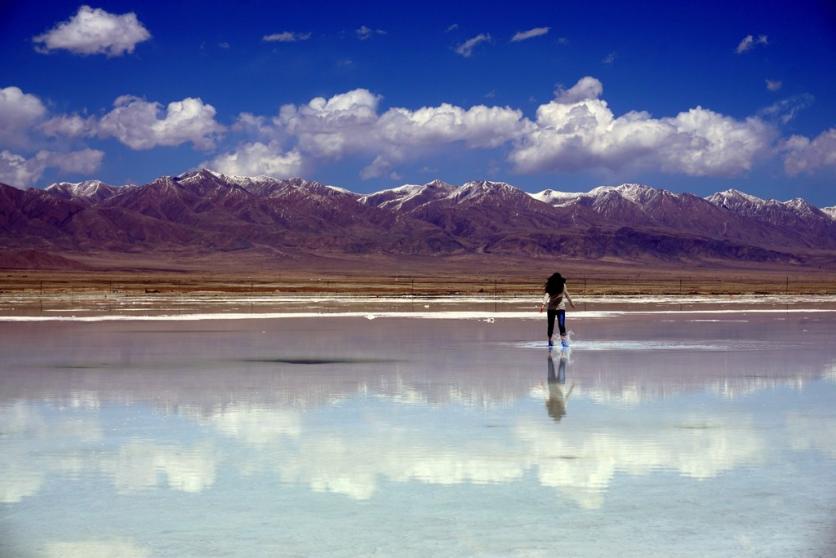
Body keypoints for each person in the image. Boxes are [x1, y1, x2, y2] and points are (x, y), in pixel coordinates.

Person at [538, 272, 576, 348]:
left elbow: (567, 294)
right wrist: (543, 304)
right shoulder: (551, 286)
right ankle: (550, 341)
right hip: (552, 309)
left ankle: (563, 342)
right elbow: (547, 295)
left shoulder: (563, 286)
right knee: (553, 326)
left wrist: (571, 303)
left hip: (560, 308)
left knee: (560, 325)